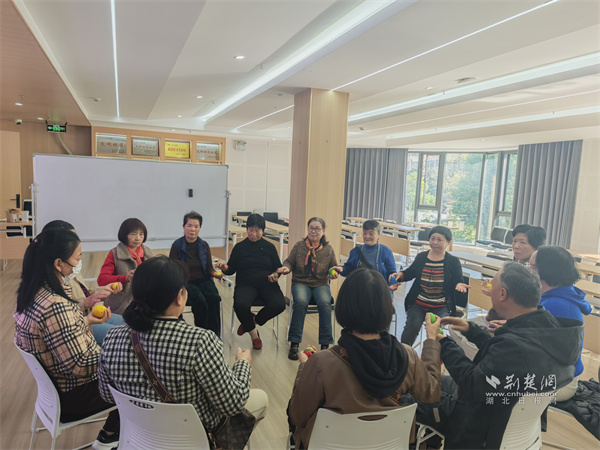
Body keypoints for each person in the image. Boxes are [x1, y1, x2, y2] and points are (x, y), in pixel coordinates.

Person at [413, 263, 582, 449]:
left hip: (478, 426)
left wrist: (442, 342)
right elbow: (503, 359)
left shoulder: (513, 346)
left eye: (492, 286)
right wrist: (471, 330)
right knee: (435, 383)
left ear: (502, 294)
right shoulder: (550, 330)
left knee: (412, 391)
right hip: (510, 422)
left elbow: (471, 383)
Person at [98, 256, 268, 437]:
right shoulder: (200, 341)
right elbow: (232, 404)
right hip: (192, 438)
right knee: (261, 398)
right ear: (180, 297)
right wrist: (243, 364)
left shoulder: (112, 337)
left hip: (139, 436)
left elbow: (107, 395)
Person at [288, 268, 442, 449]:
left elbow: (297, 416)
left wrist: (304, 368)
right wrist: (431, 341)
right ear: (386, 307)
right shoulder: (408, 356)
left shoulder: (321, 363)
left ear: (344, 307)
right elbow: (432, 393)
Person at [14, 228, 120, 450]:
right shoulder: (55, 305)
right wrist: (120, 354)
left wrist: (86, 321)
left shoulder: (31, 294)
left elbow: (59, 338)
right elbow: (81, 365)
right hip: (74, 396)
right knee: (140, 376)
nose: (78, 264)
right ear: (58, 263)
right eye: (77, 259)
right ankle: (111, 436)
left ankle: (114, 433)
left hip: (53, 393)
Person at [42, 220, 125, 345]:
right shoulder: (53, 280)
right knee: (126, 337)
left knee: (129, 325)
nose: (75, 244)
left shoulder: (70, 266)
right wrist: (85, 304)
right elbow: (64, 313)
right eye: (70, 240)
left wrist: (102, 292)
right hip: (79, 320)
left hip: (87, 315)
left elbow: (83, 292)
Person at [389, 226, 469, 346]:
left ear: (448, 242)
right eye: (432, 238)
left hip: (441, 306)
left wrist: (459, 285)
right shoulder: (422, 257)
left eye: (439, 239)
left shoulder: (453, 261)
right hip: (418, 303)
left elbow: (458, 280)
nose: (435, 242)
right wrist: (400, 275)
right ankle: (404, 352)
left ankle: (433, 353)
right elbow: (411, 272)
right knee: (412, 325)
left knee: (436, 330)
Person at [528, 246, 591, 401]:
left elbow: (526, 341)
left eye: (531, 266)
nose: (527, 270)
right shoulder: (559, 294)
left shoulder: (555, 304)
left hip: (559, 383)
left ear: (546, 270)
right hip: (556, 375)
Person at [215, 214, 285, 350]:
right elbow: (231, 269)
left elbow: (277, 267)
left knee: (279, 304)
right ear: (246, 229)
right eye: (250, 229)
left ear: (263, 230)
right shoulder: (239, 247)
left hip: (267, 283)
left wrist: (276, 274)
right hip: (246, 284)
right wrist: (225, 268)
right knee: (240, 305)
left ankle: (253, 321)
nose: (253, 233)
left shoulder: (270, 247)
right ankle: (254, 335)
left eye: (257, 230)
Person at [277, 217, 339, 360]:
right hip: (301, 282)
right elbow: (289, 261)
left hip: (321, 284)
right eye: (311, 228)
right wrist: (286, 268)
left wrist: (334, 272)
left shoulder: (328, 249)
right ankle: (294, 344)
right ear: (308, 229)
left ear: (323, 231)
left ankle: (325, 346)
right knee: (300, 303)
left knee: (325, 304)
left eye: (317, 228)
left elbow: (333, 266)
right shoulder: (299, 246)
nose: (314, 231)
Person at [169, 211, 222, 335]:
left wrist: (215, 273)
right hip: (185, 282)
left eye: (196, 226)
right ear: (183, 227)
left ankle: (214, 336)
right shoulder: (177, 245)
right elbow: (173, 269)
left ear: (200, 228)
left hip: (204, 280)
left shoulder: (203, 245)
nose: (193, 229)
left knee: (213, 298)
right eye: (189, 226)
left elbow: (209, 268)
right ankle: (201, 334)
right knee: (200, 301)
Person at [97, 218, 155, 314]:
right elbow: (102, 280)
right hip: (122, 305)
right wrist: (124, 278)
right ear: (124, 235)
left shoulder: (148, 253)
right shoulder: (115, 253)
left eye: (141, 234)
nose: (138, 238)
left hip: (145, 303)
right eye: (133, 234)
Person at [330, 219, 397, 294]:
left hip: (379, 292)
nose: (367, 236)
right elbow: (348, 269)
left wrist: (393, 283)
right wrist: (341, 269)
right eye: (365, 233)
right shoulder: (355, 251)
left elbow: (392, 273)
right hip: (359, 290)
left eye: (371, 233)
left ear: (378, 234)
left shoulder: (386, 251)